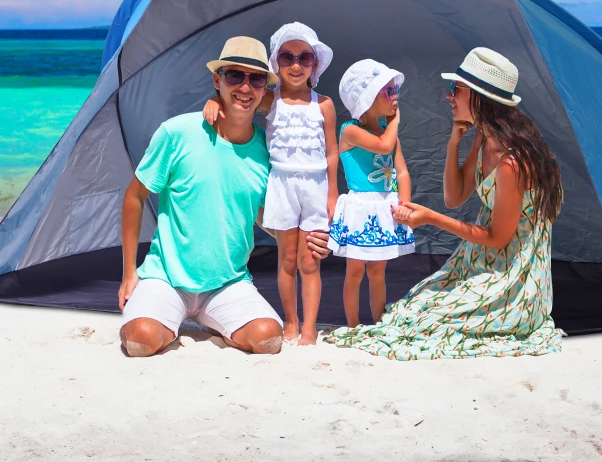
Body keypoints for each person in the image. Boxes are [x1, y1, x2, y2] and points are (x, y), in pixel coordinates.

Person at [325, 47, 564, 360]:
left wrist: (430, 218)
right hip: (480, 261)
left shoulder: (511, 162)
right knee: (413, 307)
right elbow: (454, 198)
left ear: (479, 97)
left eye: (456, 90)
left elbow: (498, 239)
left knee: (424, 323)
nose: (449, 97)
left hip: (512, 279)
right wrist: (455, 141)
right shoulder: (485, 138)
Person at [118, 36, 330, 357]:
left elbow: (264, 218)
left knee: (267, 340)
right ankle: (170, 316)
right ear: (217, 80)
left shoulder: (268, 148)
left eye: (256, 78)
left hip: (227, 283)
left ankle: (210, 321)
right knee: (140, 341)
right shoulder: (177, 132)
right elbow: (134, 197)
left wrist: (306, 241)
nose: (245, 87)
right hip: (166, 278)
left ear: (264, 90)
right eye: (235, 76)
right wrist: (129, 273)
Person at [203, 22, 338, 346]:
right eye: (287, 57)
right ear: (276, 63)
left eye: (304, 57)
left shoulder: (324, 104)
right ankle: (290, 322)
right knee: (287, 259)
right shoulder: (269, 100)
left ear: (314, 63)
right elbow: (239, 103)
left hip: (316, 186)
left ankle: (309, 328)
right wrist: (213, 102)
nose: (296, 65)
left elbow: (332, 152)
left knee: (310, 261)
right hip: (282, 184)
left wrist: (333, 193)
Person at [327, 59, 415, 327]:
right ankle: (353, 325)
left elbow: (402, 172)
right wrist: (395, 123)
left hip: (385, 207)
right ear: (368, 98)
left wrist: (405, 204)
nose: (395, 96)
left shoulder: (389, 134)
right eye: (388, 91)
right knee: (354, 272)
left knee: (378, 271)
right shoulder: (350, 131)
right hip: (361, 209)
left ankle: (378, 322)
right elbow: (381, 146)